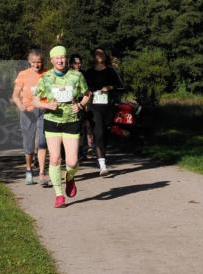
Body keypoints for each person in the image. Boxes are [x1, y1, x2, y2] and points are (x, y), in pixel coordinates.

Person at [33, 45, 90, 207]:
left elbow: (87, 95)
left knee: (72, 162)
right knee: (56, 159)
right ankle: (59, 195)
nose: (60, 60)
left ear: (66, 59)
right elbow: (36, 100)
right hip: (52, 121)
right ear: (51, 60)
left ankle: (70, 177)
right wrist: (46, 105)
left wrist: (79, 105)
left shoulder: (76, 76)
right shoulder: (45, 78)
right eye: (57, 58)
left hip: (71, 121)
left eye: (63, 57)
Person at [83, 46, 124, 177]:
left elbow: (121, 87)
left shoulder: (111, 72)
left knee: (105, 133)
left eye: (102, 53)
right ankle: (103, 166)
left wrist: (109, 87)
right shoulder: (89, 73)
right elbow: (82, 88)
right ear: (93, 56)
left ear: (105, 56)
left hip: (109, 106)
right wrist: (87, 94)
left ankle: (102, 157)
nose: (99, 55)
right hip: (94, 106)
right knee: (98, 132)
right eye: (97, 53)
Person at [12, 48, 48, 185]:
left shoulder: (48, 74)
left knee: (42, 142)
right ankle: (28, 170)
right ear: (29, 62)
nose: (36, 65)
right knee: (29, 143)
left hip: (43, 111)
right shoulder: (23, 74)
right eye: (33, 62)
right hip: (27, 111)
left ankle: (42, 173)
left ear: (42, 62)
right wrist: (20, 105)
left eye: (38, 62)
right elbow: (15, 96)